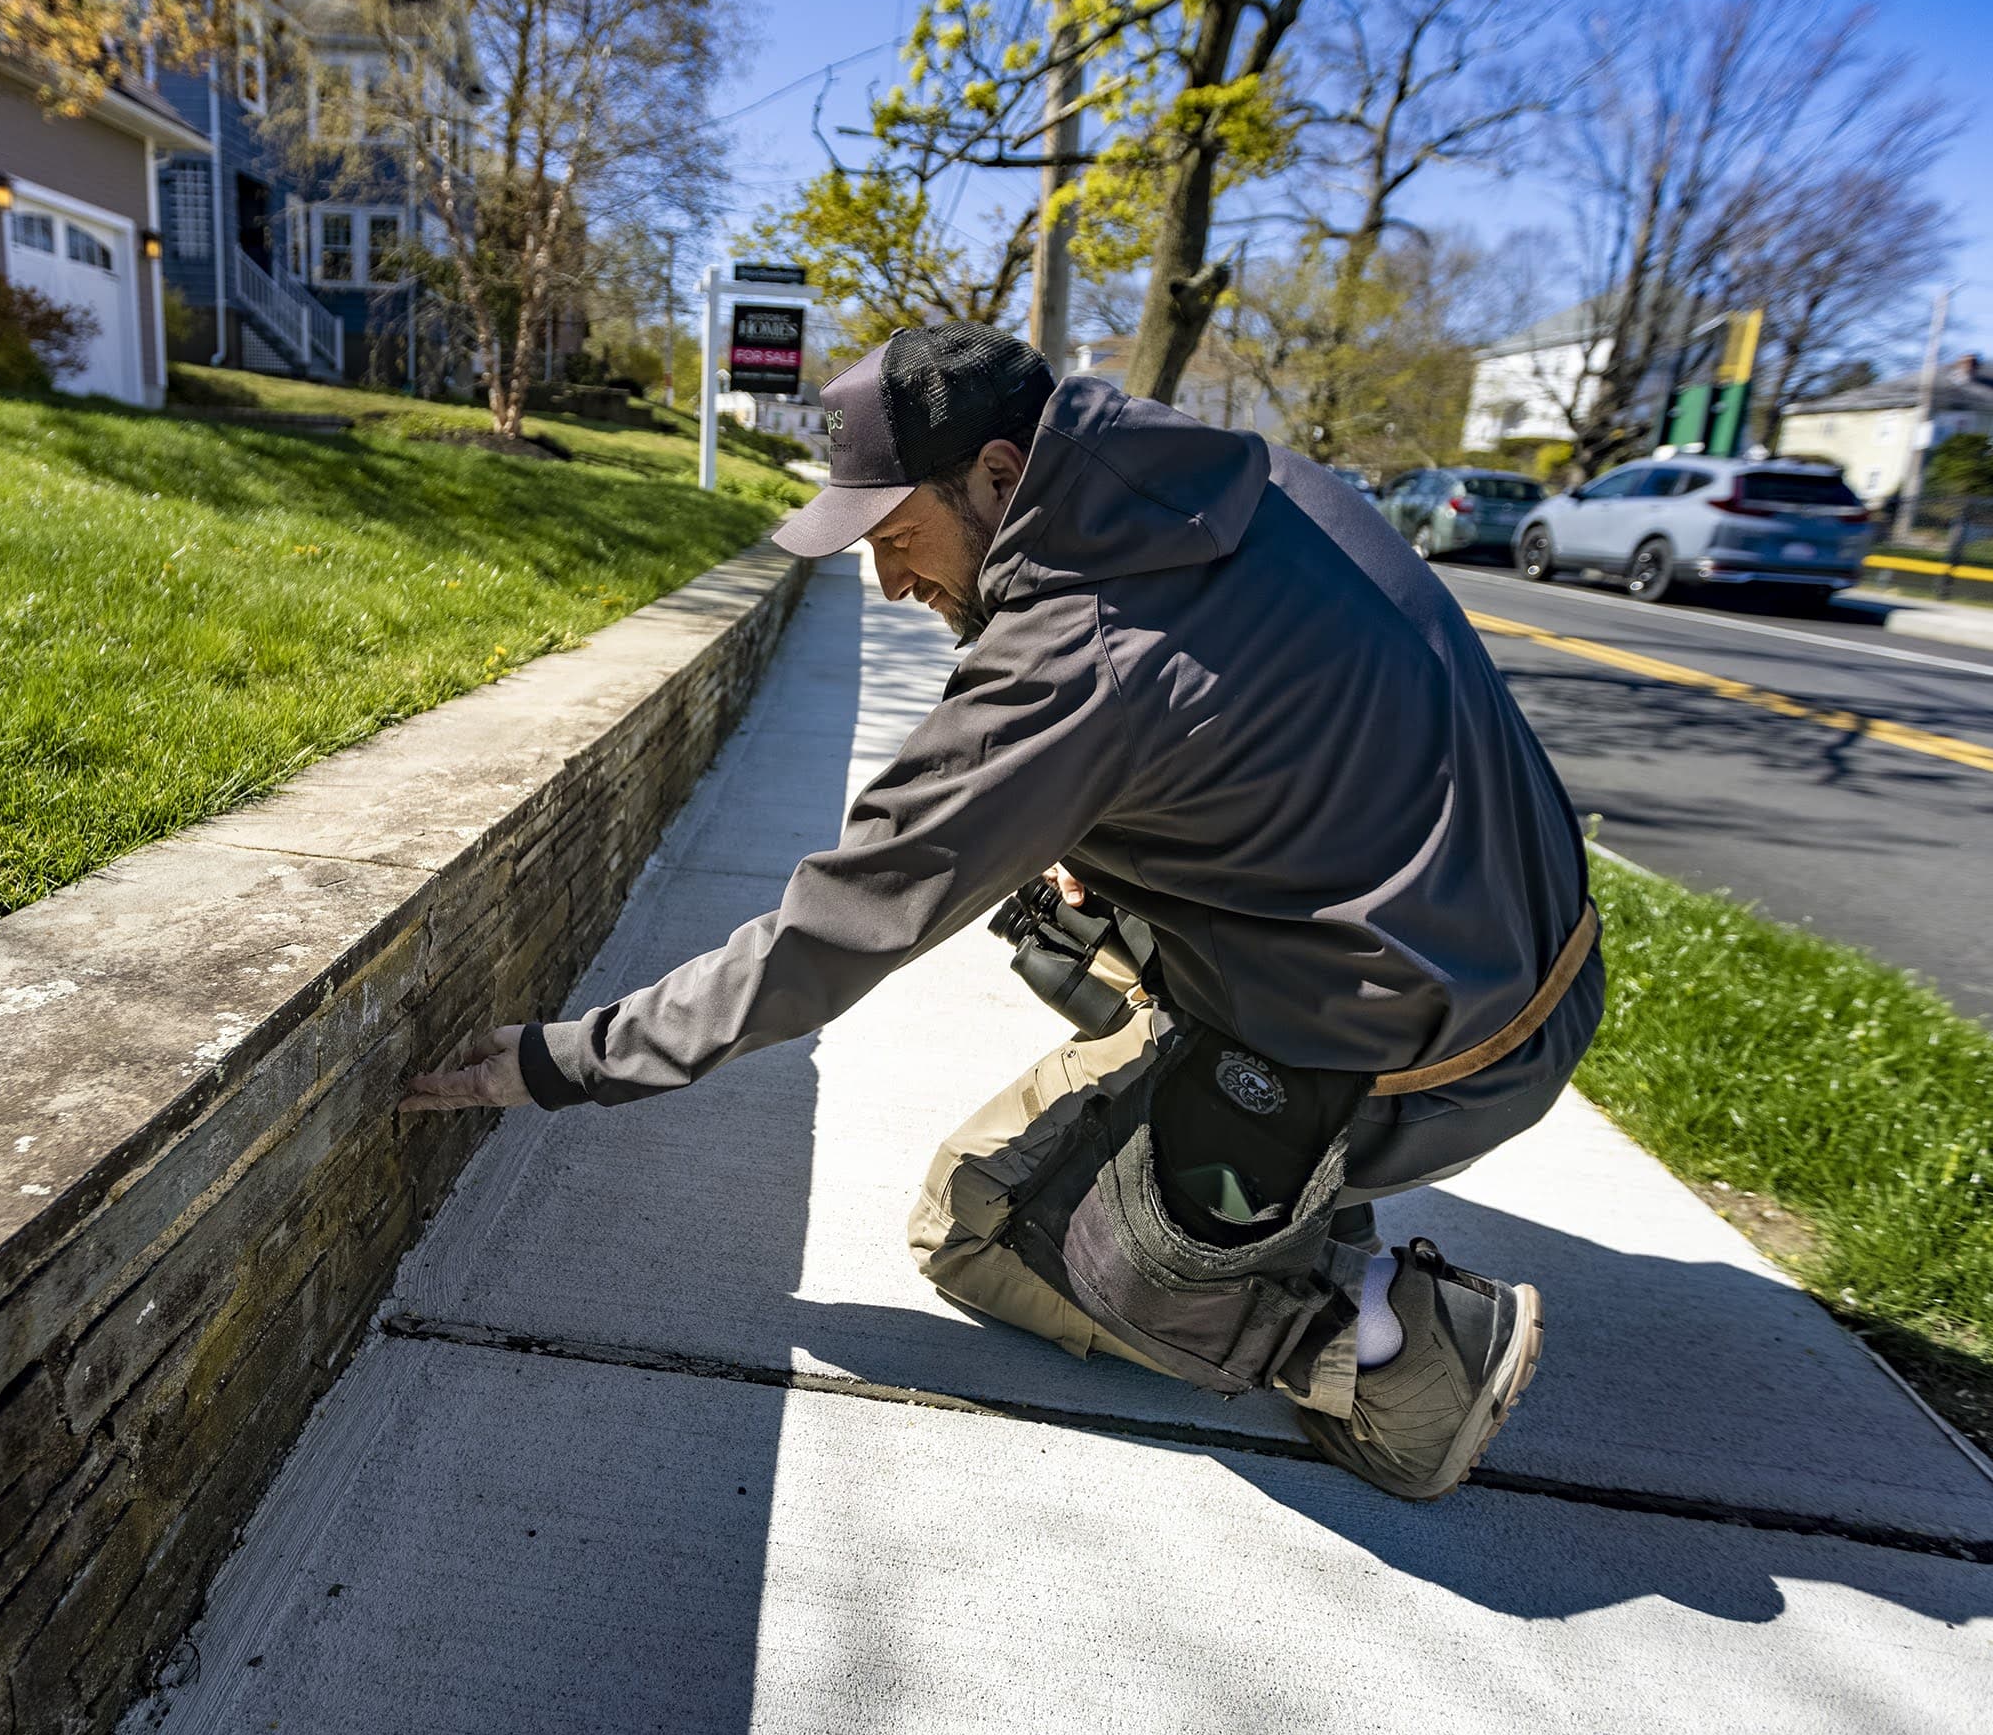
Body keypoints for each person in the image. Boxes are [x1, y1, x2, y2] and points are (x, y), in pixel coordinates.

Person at [402, 322, 1600, 1501]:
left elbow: (839, 923)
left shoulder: (1076, 655)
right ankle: (1279, 1180)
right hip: (1525, 960)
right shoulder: (1255, 483)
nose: (890, 580)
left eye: (900, 535)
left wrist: (563, 1062)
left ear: (1001, 475)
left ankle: (1396, 1340)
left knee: (974, 1221)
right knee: (1077, 932)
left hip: (1439, 1054)